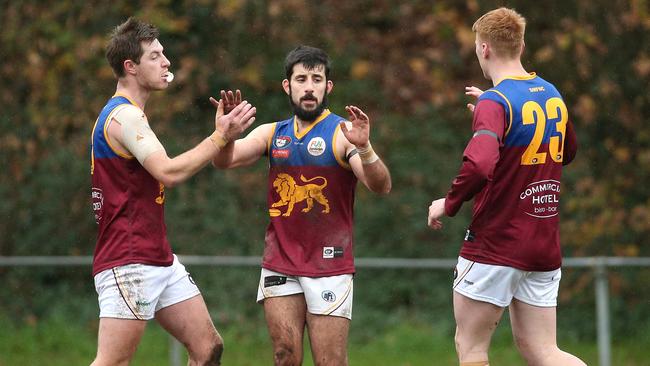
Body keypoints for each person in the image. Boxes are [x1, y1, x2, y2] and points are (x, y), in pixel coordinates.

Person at [90, 17, 256, 365]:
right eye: (155, 56)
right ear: (130, 67)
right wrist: (221, 137)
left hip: (158, 257)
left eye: (164, 53)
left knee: (208, 349)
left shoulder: (133, 116)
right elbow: (168, 171)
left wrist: (220, 136)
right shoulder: (125, 118)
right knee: (112, 362)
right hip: (129, 260)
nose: (166, 62)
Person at [212, 45, 391, 365]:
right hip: (279, 262)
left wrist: (364, 149)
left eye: (317, 79)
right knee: (284, 356)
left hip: (329, 266)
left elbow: (380, 185)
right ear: (287, 85)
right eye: (301, 79)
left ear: (328, 87)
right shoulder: (272, 134)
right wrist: (223, 134)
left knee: (330, 361)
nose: (309, 87)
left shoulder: (342, 134)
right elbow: (224, 162)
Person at [427, 8, 586, 366]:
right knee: (543, 350)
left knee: (471, 349)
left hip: (495, 245)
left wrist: (447, 204)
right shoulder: (550, 92)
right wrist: (499, 123)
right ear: (522, 44)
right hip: (542, 244)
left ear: (483, 49)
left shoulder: (494, 102)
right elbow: (567, 151)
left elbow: (480, 165)